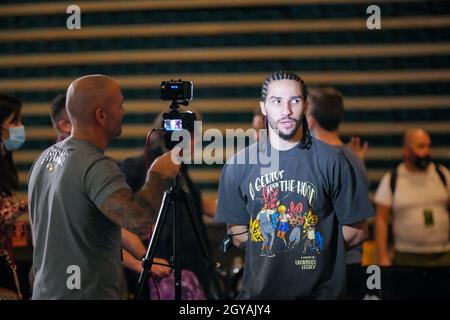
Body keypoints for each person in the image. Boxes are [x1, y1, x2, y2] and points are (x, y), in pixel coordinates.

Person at [215, 71, 374, 299]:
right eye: (276, 101)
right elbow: (237, 232)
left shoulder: (334, 161)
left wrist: (314, 252)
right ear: (263, 107)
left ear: (306, 106)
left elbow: (357, 231)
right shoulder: (238, 166)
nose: (286, 111)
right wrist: (279, 249)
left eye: (295, 101)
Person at [28, 75, 180, 299]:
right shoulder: (96, 165)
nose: (123, 111)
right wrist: (158, 174)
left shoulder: (42, 160)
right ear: (100, 115)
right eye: (120, 105)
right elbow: (139, 221)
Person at [119, 111, 215, 299]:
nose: (197, 143)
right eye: (195, 136)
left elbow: (202, 205)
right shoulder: (136, 168)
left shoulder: (180, 171)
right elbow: (117, 220)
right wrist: (143, 259)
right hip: (157, 277)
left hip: (190, 270)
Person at [306, 87, 370, 299]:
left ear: (312, 121)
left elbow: (358, 229)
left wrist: (316, 251)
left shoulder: (319, 159)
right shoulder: (354, 158)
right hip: (348, 265)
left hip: (330, 268)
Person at [374, 128, 450, 267]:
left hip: (443, 255)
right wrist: (383, 256)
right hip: (406, 257)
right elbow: (381, 220)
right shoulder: (392, 179)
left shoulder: (443, 175)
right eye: (421, 146)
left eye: (428, 146)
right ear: (406, 151)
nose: (427, 151)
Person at [0, 94, 28, 298]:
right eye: (14, 122)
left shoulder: (5, 163)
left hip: (6, 256)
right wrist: (27, 204)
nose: (20, 127)